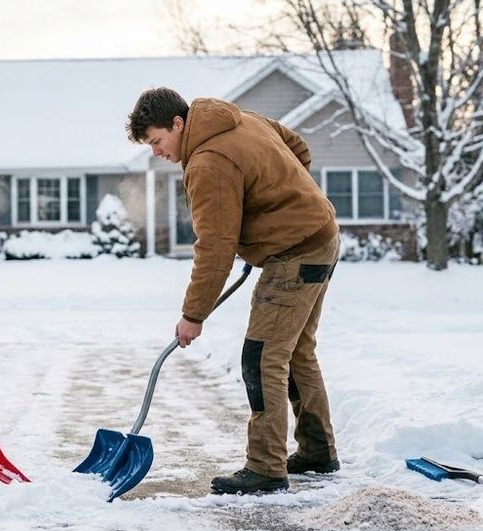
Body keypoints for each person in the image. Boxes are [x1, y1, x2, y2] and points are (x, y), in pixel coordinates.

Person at [126, 89, 341, 494]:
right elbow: (297, 147)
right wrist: (281, 205)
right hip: (320, 237)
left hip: (294, 254)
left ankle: (265, 467)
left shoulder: (208, 164)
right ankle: (317, 451)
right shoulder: (239, 118)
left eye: (157, 141)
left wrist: (193, 315)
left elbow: (215, 247)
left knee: (262, 358)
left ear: (178, 124)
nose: (156, 151)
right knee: (295, 352)